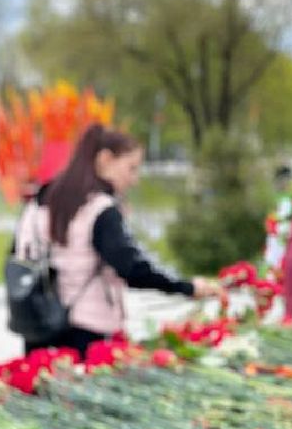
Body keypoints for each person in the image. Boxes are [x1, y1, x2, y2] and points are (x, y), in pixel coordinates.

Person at [14, 124, 220, 355]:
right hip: (86, 330)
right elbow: (132, 267)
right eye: (131, 168)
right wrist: (187, 287)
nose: (134, 179)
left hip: (37, 326)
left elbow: (19, 259)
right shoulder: (99, 209)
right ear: (105, 159)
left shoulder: (37, 203)